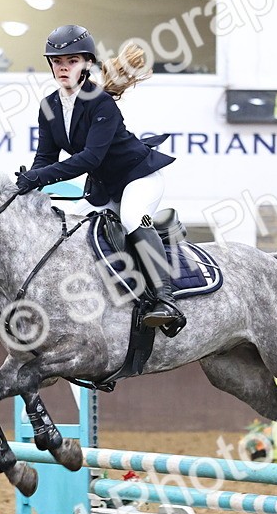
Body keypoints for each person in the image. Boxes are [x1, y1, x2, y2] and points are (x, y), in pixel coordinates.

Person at [13, 23, 184, 331]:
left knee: (132, 219)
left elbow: (90, 158)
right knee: (71, 226)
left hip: (138, 178)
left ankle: (165, 301)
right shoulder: (49, 106)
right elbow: (46, 157)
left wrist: (38, 178)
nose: (63, 68)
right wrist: (29, 186)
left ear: (87, 64)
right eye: (57, 62)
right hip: (106, 188)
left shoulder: (99, 102)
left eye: (71, 62)